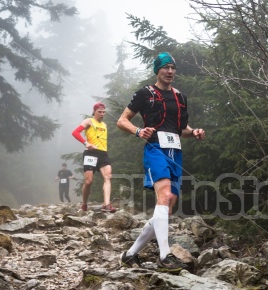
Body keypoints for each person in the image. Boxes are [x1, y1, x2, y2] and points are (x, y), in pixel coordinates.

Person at [116, 52, 206, 272]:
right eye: (165, 67)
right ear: (157, 70)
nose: (170, 71)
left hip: (176, 151)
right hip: (155, 149)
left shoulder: (180, 97)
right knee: (164, 196)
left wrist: (193, 132)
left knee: (167, 207)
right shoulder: (145, 93)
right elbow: (121, 120)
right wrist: (138, 131)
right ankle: (165, 255)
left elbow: (180, 129)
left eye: (173, 68)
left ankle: (130, 254)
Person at [72, 102, 117, 213]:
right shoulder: (89, 121)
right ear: (94, 112)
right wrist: (85, 143)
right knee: (88, 182)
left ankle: (106, 204)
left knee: (108, 177)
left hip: (103, 154)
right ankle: (84, 204)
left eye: (103, 112)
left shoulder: (105, 125)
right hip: (90, 153)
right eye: (99, 112)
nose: (102, 114)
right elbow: (75, 132)